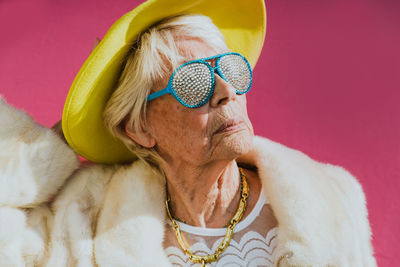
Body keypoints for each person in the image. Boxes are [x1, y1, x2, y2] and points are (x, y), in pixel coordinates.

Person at [0, 0, 377, 266]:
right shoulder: (87, 222)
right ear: (140, 128)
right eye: (194, 82)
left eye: (230, 68)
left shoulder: (331, 203)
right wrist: (53, 146)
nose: (226, 90)